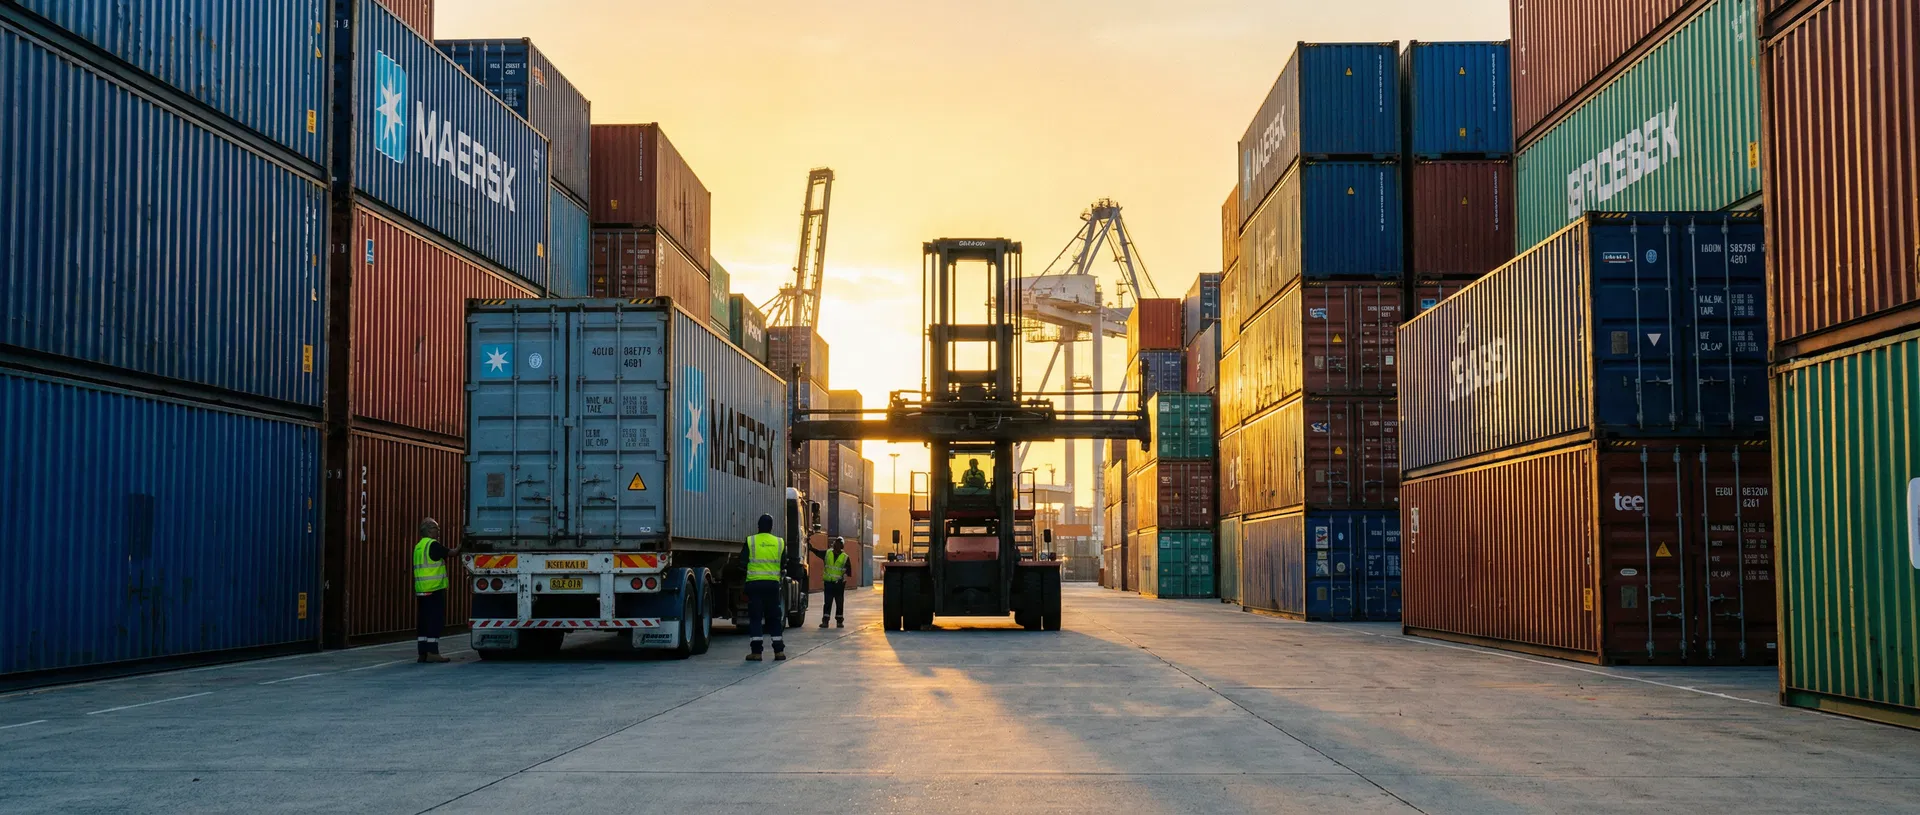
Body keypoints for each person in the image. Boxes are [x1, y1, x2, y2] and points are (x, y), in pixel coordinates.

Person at [741, 513, 787, 662]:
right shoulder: (779, 542)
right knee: (774, 618)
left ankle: (756, 653)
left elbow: (742, 563)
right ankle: (779, 652)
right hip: (772, 585)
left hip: (754, 585)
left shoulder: (751, 541)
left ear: (758, 526)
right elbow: (783, 564)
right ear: (771, 527)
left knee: (756, 618)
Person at [414, 518, 458, 664]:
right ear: (428, 530)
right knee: (435, 620)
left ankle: (422, 653)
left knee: (423, 621)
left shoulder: (419, 546)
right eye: (436, 529)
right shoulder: (432, 544)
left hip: (421, 590)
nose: (438, 532)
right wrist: (463, 545)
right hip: (434, 589)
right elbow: (452, 553)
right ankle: (433, 652)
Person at [809, 536, 850, 628]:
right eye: (837, 543)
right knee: (832, 602)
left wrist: (843, 580)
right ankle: (831, 621)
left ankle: (833, 621)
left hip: (836, 584)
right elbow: (818, 552)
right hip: (832, 584)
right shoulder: (829, 554)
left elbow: (848, 572)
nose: (837, 545)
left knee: (834, 602)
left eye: (839, 544)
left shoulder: (843, 557)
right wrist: (811, 549)